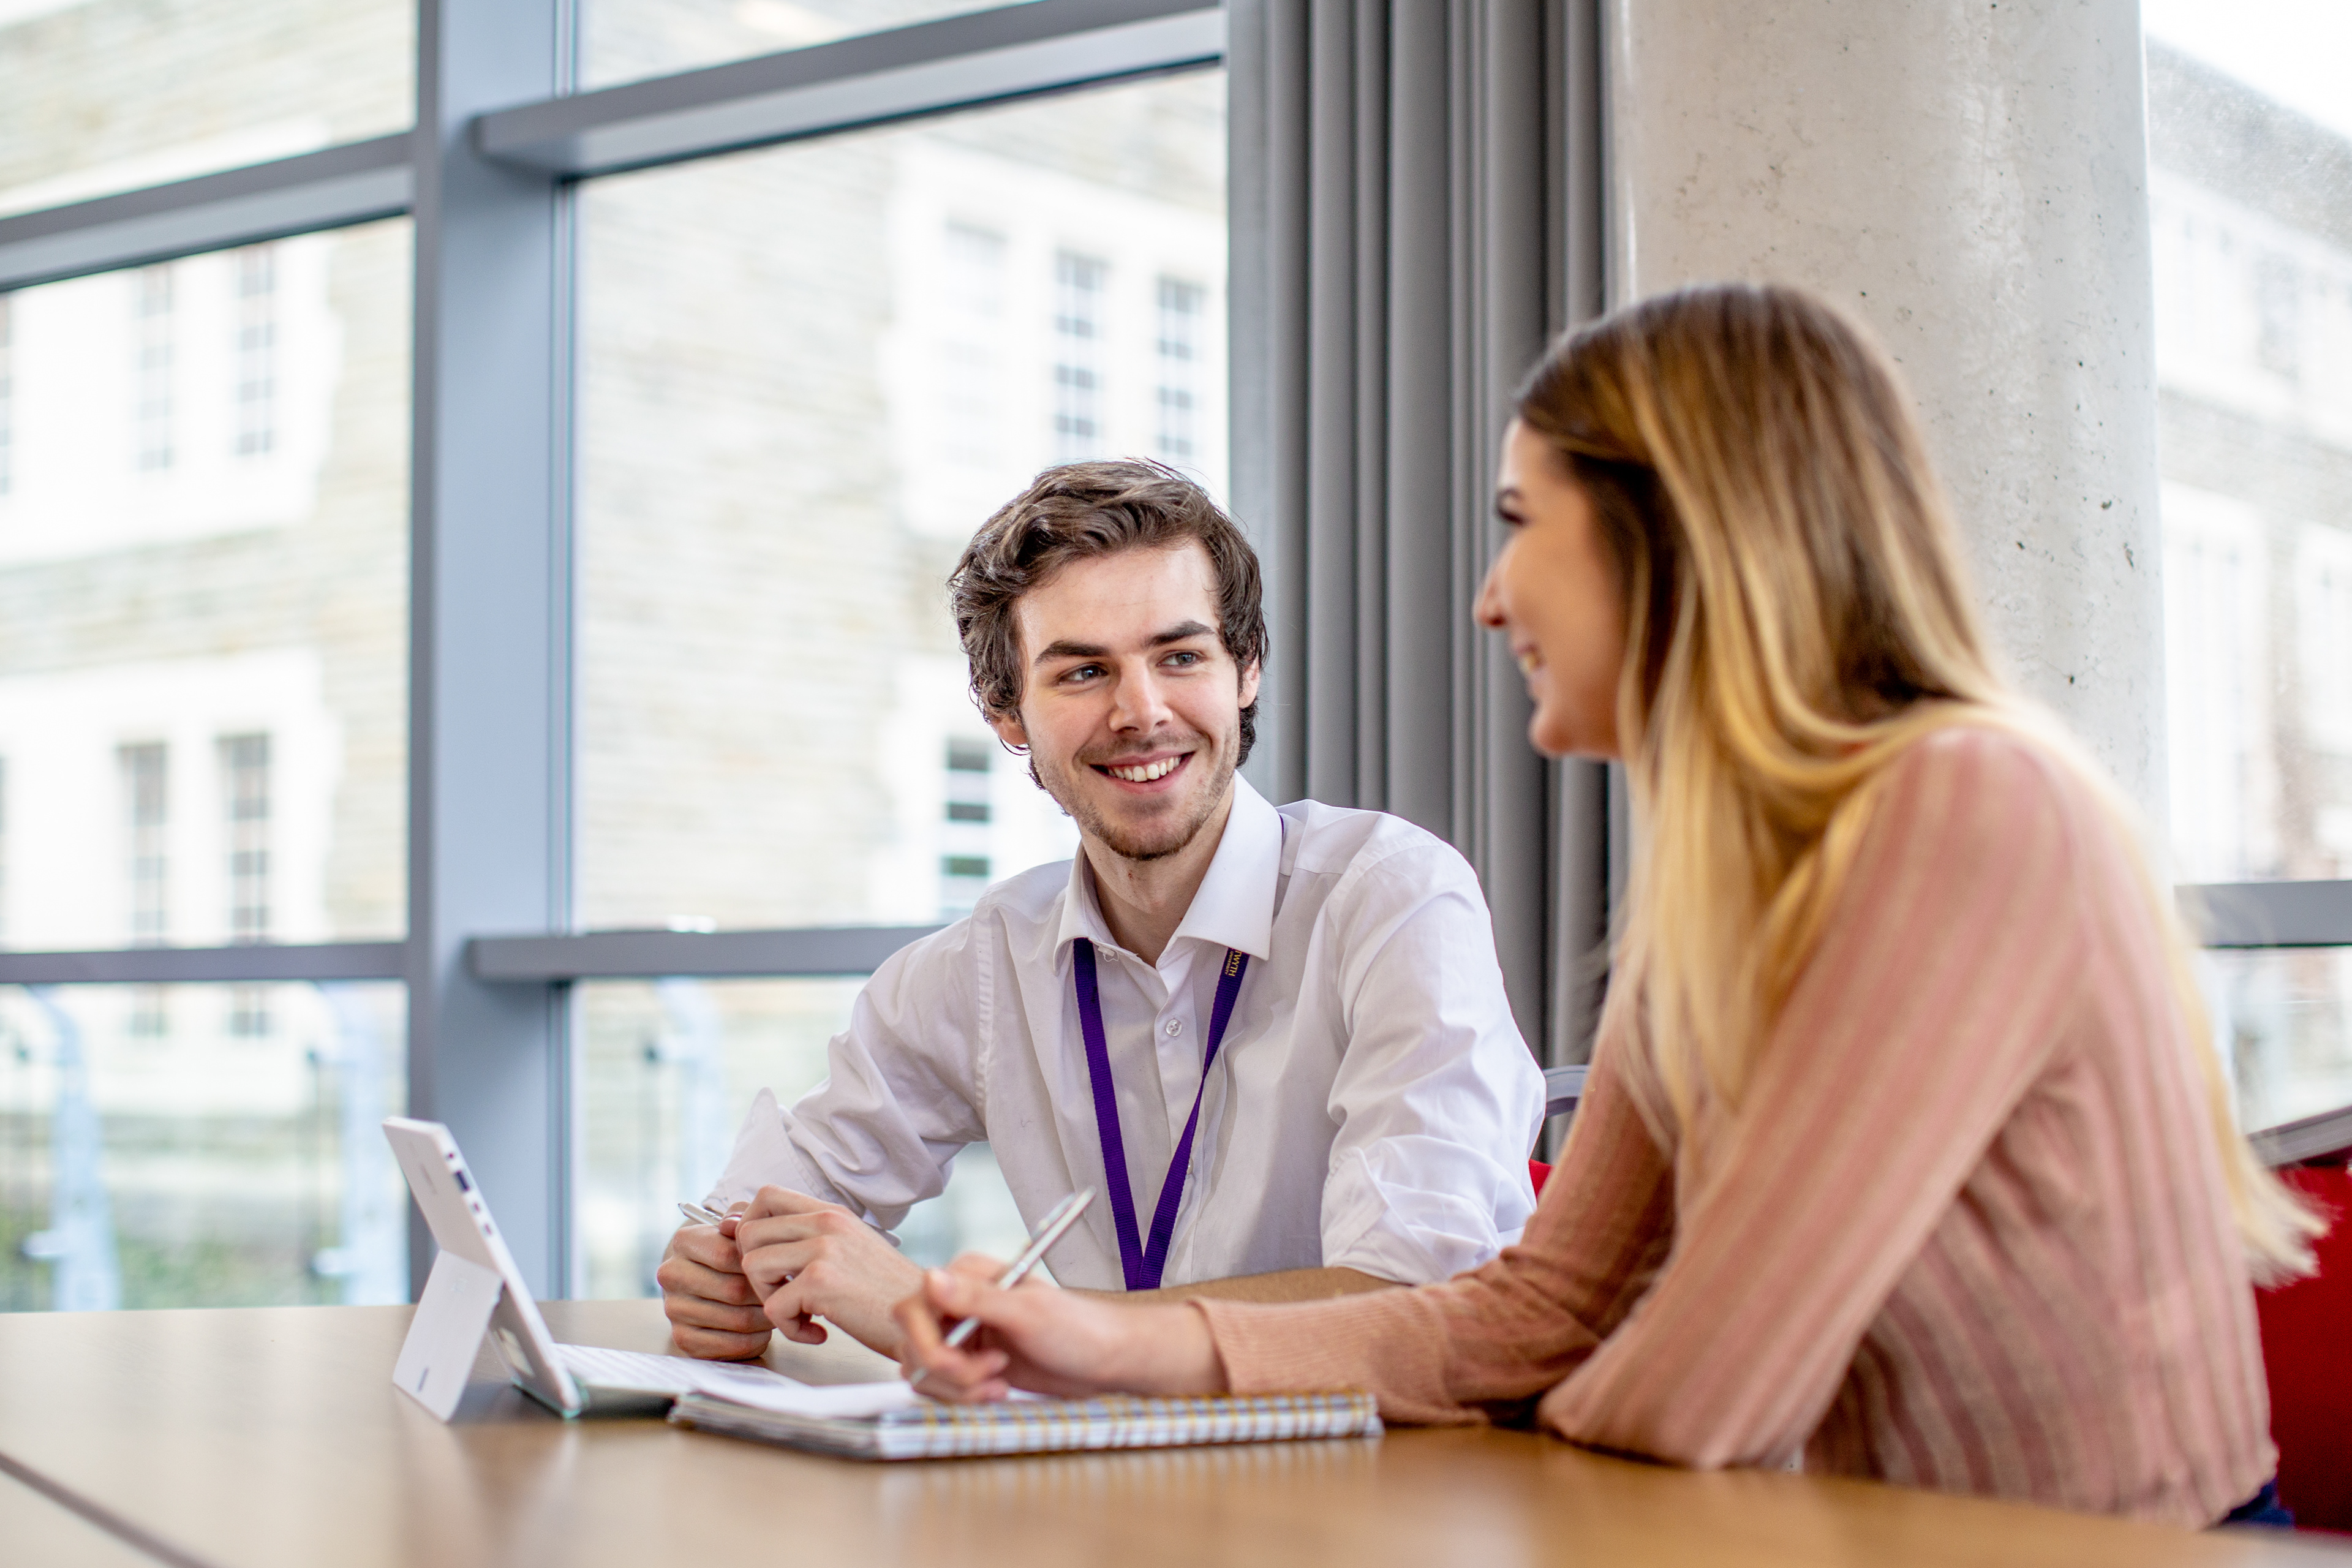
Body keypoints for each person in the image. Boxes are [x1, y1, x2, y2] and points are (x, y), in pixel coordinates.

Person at [895, 284, 2323, 1529]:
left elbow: (1706, 1388)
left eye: (1524, 524)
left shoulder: (1964, 805)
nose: (1492, 598)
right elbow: (1540, 1309)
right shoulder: (1733, 869)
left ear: (1679, 533)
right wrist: (1089, 1345)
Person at [658, 459, 1546, 1362]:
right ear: (1008, 715)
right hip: (1115, 1474)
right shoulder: (990, 963)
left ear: (1246, 670)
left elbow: (1412, 1297)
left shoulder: (1389, 898)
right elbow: (784, 1195)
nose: (1142, 711)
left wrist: (962, 1319)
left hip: (1385, 1476)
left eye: (1181, 657)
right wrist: (729, 1274)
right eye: (1083, 672)